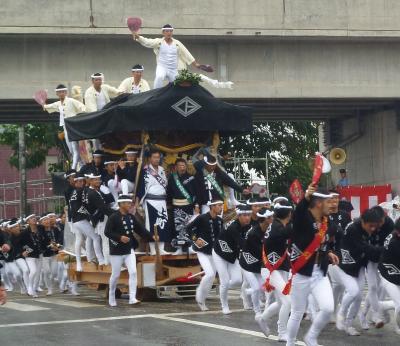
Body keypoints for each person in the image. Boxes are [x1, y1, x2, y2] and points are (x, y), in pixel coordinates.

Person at [285, 186, 339, 346]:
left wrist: (328, 252)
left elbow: (319, 242)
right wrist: (306, 197)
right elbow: (299, 211)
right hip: (301, 272)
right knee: (297, 312)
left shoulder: (327, 222)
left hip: (319, 272)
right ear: (318, 203)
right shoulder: (303, 218)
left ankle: (311, 337)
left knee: (328, 308)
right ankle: (290, 342)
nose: (333, 205)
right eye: (329, 202)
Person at [335, 209, 383, 336]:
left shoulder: (369, 228)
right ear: (363, 221)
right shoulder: (353, 229)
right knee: (353, 292)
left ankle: (349, 324)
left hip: (359, 265)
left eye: (375, 226)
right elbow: (366, 248)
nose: (372, 229)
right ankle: (341, 313)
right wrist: (385, 250)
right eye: (370, 225)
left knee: (358, 297)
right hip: (345, 265)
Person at [105, 195, 154, 307]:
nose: (129, 205)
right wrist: (119, 237)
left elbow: (140, 229)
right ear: (121, 204)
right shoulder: (113, 217)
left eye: (130, 202)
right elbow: (107, 232)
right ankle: (111, 296)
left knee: (133, 272)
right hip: (116, 250)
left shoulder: (131, 217)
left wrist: (151, 237)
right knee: (116, 275)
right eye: (127, 203)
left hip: (128, 249)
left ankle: (132, 297)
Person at [257, 201, 293, 342]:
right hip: (271, 269)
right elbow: (293, 233)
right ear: (289, 214)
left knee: (280, 302)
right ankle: (282, 332)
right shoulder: (279, 228)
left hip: (277, 267)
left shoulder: (277, 225)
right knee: (288, 301)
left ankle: (262, 318)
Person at [132, 24, 206, 88]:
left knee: (178, 83)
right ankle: (156, 93)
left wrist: (196, 64)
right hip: (162, 67)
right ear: (163, 32)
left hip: (173, 69)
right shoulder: (159, 42)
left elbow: (186, 54)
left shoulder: (177, 43)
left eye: (170, 31)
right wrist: (138, 37)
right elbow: (148, 42)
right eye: (167, 31)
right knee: (159, 77)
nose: (169, 33)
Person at [359, 205, 394, 329]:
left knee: (383, 287)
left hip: (384, 259)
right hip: (370, 258)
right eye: (375, 222)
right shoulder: (367, 223)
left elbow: (391, 245)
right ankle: (376, 315)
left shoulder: (390, 225)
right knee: (373, 287)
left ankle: (368, 314)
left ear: (385, 217)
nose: (377, 225)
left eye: (380, 222)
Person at [213, 204, 251, 314]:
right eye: (244, 215)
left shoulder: (248, 226)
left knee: (238, 280)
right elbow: (243, 244)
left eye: (248, 215)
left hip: (231, 255)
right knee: (225, 281)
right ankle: (224, 305)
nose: (247, 217)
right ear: (238, 216)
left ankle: (222, 288)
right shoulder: (233, 227)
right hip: (219, 253)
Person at [187, 199, 224, 311]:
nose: (221, 207)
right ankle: (199, 296)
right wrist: (195, 239)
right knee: (209, 274)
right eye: (219, 205)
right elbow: (188, 228)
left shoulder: (219, 220)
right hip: (202, 251)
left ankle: (202, 299)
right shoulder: (202, 218)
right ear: (212, 207)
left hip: (214, 252)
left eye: (221, 205)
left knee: (212, 276)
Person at [239, 208, 274, 324]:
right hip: (247, 263)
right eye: (270, 218)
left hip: (258, 264)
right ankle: (257, 312)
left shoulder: (269, 230)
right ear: (263, 220)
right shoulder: (254, 233)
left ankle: (248, 292)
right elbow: (262, 252)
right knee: (256, 287)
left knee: (262, 287)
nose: (272, 219)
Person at [43, 84, 86, 169]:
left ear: (66, 92)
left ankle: (73, 168)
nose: (61, 93)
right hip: (65, 128)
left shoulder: (71, 101)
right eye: (59, 92)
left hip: (73, 127)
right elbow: (48, 107)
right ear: (57, 94)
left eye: (63, 92)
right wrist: (43, 105)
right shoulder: (58, 104)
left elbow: (82, 107)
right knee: (71, 150)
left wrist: (80, 118)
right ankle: (81, 165)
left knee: (75, 149)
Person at [136, 148, 170, 255]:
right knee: (151, 225)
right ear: (150, 158)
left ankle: (162, 249)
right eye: (154, 157)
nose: (157, 159)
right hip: (150, 201)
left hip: (162, 201)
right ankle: (153, 250)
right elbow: (141, 187)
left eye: (158, 157)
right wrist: (138, 203)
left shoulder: (162, 170)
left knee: (163, 224)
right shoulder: (145, 171)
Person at [81, 173, 114, 266]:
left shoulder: (94, 191)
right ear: (90, 181)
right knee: (105, 241)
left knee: (103, 240)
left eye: (99, 179)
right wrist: (117, 214)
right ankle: (107, 262)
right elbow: (103, 208)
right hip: (101, 219)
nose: (98, 181)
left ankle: (104, 261)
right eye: (95, 179)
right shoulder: (92, 193)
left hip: (99, 218)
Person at [167, 158, 196, 253]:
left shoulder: (191, 177)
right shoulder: (172, 177)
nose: (182, 167)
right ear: (176, 167)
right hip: (176, 206)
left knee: (189, 225)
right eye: (180, 165)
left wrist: (195, 204)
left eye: (183, 165)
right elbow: (169, 191)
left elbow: (194, 192)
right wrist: (169, 203)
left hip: (188, 205)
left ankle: (190, 247)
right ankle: (179, 248)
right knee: (178, 227)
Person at [378, 218, 400, 335]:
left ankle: (382, 306)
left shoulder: (395, 232)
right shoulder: (394, 244)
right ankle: (397, 328)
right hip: (388, 275)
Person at [39, 214, 62, 296]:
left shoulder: (55, 229)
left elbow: (60, 239)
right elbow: (41, 243)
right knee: (47, 272)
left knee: (54, 273)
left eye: (47, 219)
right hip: (45, 255)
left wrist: (57, 246)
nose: (47, 221)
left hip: (54, 254)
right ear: (41, 222)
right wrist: (50, 246)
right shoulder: (40, 232)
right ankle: (49, 289)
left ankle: (51, 286)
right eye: (44, 220)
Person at [21, 214, 43, 297]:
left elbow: (45, 239)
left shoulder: (40, 228)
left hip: (40, 253)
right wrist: (25, 251)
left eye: (34, 217)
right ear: (28, 221)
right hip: (30, 255)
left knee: (38, 273)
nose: (34, 219)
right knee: (33, 271)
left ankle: (34, 289)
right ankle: (30, 287)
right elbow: (21, 244)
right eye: (31, 218)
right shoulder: (25, 232)